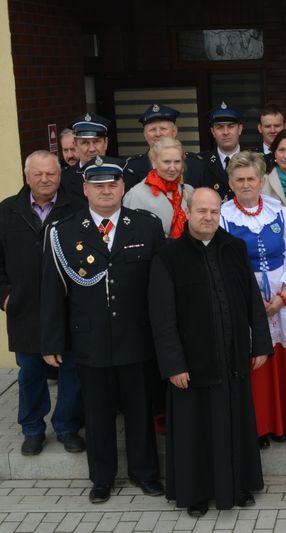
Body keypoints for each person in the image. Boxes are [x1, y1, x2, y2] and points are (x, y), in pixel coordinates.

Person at [40, 156, 165, 503]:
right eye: (98, 185)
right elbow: (52, 292)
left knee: (140, 410)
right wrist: (52, 341)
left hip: (137, 337)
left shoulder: (146, 226)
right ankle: (102, 478)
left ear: (123, 188)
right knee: (97, 414)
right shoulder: (62, 231)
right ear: (85, 190)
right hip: (89, 339)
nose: (106, 191)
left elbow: (160, 287)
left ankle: (145, 473)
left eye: (112, 184)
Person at [149, 188, 272, 516]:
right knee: (196, 432)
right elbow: (162, 318)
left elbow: (251, 300)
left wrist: (259, 343)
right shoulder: (168, 256)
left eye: (214, 212)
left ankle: (239, 485)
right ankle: (197, 493)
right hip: (192, 365)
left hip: (232, 360)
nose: (208, 217)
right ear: (188, 212)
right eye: (201, 211)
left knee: (236, 425)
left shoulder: (234, 247)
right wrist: (174, 364)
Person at [220, 151, 286, 446]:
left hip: (281, 296)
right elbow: (222, 265)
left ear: (261, 181)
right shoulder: (223, 216)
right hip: (244, 300)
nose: (246, 184)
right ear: (231, 183)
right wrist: (253, 302)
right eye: (240, 179)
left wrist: (284, 296)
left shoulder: (278, 211)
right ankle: (257, 427)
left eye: (252, 179)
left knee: (280, 358)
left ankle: (283, 422)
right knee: (254, 361)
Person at [0, 151, 84, 456]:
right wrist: (6, 296)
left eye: (51, 174)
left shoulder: (77, 207)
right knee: (30, 371)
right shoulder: (7, 211)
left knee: (72, 369)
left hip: (69, 307)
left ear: (60, 176)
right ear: (27, 177)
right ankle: (33, 428)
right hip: (25, 309)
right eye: (38, 174)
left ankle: (67, 426)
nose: (45, 180)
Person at [123, 137, 193, 239]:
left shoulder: (190, 191)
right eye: (167, 162)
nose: (172, 168)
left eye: (177, 162)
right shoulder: (136, 194)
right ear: (154, 162)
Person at [124, 104, 207, 189]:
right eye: (152, 129)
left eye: (163, 129)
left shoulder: (196, 164)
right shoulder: (132, 167)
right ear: (145, 134)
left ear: (174, 132)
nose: (158, 134)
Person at [199, 102, 243, 200]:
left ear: (240, 129)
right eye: (219, 127)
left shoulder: (253, 159)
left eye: (231, 126)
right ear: (213, 132)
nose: (226, 132)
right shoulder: (201, 162)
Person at [255, 104, 286, 171]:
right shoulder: (251, 156)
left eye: (277, 126)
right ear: (260, 128)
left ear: (285, 127)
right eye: (267, 126)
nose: (272, 131)